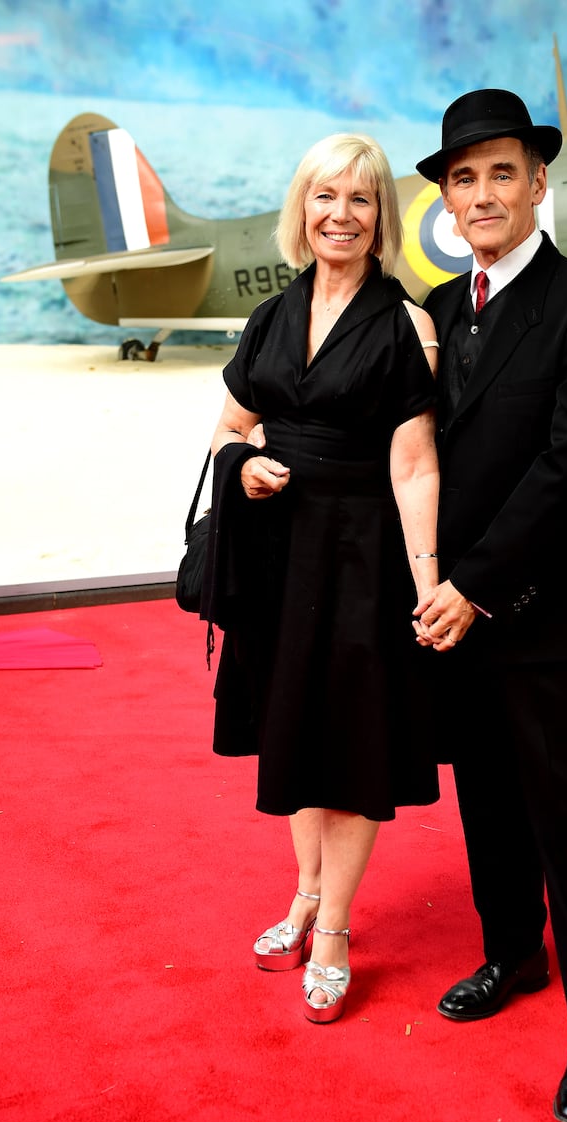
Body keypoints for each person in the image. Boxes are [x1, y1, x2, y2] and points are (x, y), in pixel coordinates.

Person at [412, 90, 567, 1122]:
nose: (483, 192)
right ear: (448, 199)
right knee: (487, 802)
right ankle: (512, 954)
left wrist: (473, 585)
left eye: (502, 171)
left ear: (538, 181)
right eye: (464, 176)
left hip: (544, 612)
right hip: (453, 614)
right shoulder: (438, 313)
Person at [204, 132, 441, 1024]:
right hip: (277, 556)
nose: (340, 214)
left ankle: (335, 925)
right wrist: (245, 465)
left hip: (361, 561)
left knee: (350, 745)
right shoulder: (271, 315)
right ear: (301, 209)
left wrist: (425, 583)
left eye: (361, 199)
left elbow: (416, 469)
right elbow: (229, 429)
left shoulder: (403, 323)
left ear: (381, 218)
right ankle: (304, 892)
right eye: (324, 196)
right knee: (292, 735)